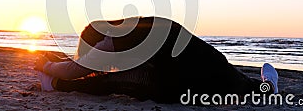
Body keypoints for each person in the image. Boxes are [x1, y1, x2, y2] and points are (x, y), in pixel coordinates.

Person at [34, 16, 278, 104]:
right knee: (239, 85)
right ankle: (267, 86)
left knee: (118, 81)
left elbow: (75, 69)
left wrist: (46, 65)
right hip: (207, 62)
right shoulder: (139, 24)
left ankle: (53, 85)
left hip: (179, 83)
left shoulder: (112, 39)